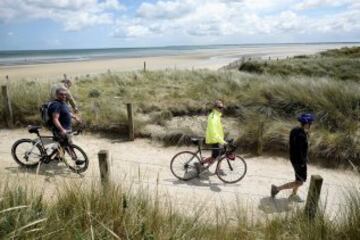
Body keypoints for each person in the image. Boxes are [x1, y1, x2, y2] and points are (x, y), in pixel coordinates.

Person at [271, 113, 315, 202]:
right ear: (306, 124)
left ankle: (294, 194)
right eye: (310, 123)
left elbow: (293, 145)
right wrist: (303, 162)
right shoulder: (302, 136)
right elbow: (300, 151)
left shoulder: (295, 130)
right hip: (299, 161)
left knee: (298, 179)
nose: (311, 125)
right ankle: (276, 189)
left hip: (294, 158)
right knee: (300, 182)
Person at [48, 87, 83, 165]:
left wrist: (74, 117)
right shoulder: (56, 105)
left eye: (65, 94)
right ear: (56, 95)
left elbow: (65, 112)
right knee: (67, 144)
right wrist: (61, 129)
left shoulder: (63, 103)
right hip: (59, 129)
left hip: (66, 128)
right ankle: (75, 159)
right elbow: (55, 119)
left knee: (63, 143)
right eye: (61, 94)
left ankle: (58, 157)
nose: (64, 96)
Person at [201, 100, 227, 166]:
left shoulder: (216, 115)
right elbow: (213, 131)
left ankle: (215, 168)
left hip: (217, 138)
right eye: (219, 107)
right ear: (215, 107)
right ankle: (203, 163)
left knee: (218, 154)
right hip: (214, 138)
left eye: (222, 107)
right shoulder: (213, 116)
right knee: (216, 155)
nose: (221, 109)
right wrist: (221, 141)